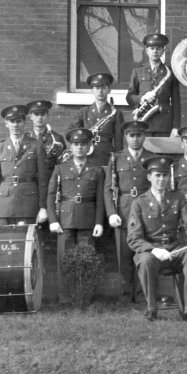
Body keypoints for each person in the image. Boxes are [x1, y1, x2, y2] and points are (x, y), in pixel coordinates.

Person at [127, 156, 187, 322]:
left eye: (164, 176)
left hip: (175, 250)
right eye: (157, 175)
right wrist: (153, 249)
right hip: (151, 251)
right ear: (149, 177)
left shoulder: (178, 198)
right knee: (146, 260)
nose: (161, 179)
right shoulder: (139, 203)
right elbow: (134, 238)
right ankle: (151, 308)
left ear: (169, 177)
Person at [47, 128, 105, 304]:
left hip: (88, 220)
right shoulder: (60, 169)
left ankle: (85, 296)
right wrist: (52, 220)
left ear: (89, 147)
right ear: (71, 148)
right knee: (64, 258)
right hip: (65, 220)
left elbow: (100, 199)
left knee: (87, 259)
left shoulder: (97, 170)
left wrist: (99, 223)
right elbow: (50, 195)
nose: (79, 148)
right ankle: (65, 298)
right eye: (76, 144)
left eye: (83, 144)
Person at [104, 120, 157, 302]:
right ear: (126, 137)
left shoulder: (151, 158)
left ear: (144, 136)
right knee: (124, 255)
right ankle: (126, 294)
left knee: (143, 254)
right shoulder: (116, 158)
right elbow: (109, 188)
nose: (135, 139)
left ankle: (142, 294)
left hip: (145, 211)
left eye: (139, 135)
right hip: (123, 211)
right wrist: (111, 212)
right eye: (131, 135)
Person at [0, 105, 48, 227]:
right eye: (12, 121)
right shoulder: (0, 148)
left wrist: (43, 207)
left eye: (18, 121)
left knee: (27, 242)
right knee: (4, 241)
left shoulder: (36, 146)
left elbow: (43, 179)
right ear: (6, 124)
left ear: (24, 122)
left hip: (28, 202)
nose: (15, 125)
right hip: (4, 204)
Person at [126, 33, 180, 137]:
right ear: (147, 51)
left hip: (164, 124)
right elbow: (129, 98)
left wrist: (176, 127)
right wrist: (142, 98)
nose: (155, 51)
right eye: (152, 48)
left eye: (158, 48)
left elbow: (176, 102)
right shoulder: (138, 71)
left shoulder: (170, 72)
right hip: (144, 123)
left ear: (163, 51)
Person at [69, 73, 124, 167]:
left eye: (103, 88)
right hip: (87, 156)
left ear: (109, 90)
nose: (100, 91)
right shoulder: (84, 111)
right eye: (97, 88)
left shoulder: (115, 112)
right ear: (92, 91)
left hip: (106, 155)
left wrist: (116, 160)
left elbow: (118, 141)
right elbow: (71, 132)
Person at [25, 99, 65, 175]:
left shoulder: (56, 139)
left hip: (49, 181)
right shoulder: (25, 139)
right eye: (36, 114)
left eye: (42, 114)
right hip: (30, 182)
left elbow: (62, 165)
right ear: (31, 116)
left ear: (47, 115)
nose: (40, 117)